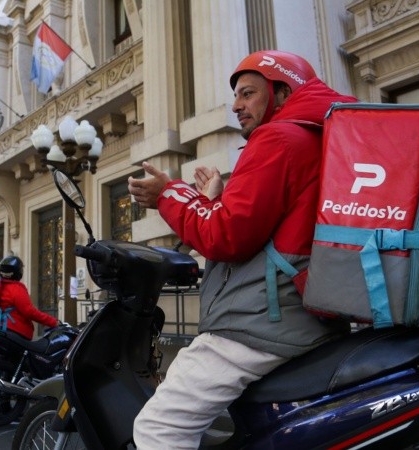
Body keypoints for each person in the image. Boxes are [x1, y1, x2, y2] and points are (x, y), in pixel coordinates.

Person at [127, 50, 356, 448]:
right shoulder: (319, 137)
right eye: (236, 95)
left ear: (283, 92)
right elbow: (265, 229)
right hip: (307, 314)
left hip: (261, 321)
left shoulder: (279, 138)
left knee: (159, 426)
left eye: (248, 93)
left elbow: (226, 236)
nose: (236, 105)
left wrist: (167, 194)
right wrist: (214, 200)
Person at [0, 256, 60, 340]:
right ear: (17, 272)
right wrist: (53, 322)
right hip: (14, 330)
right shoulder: (16, 288)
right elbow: (29, 311)